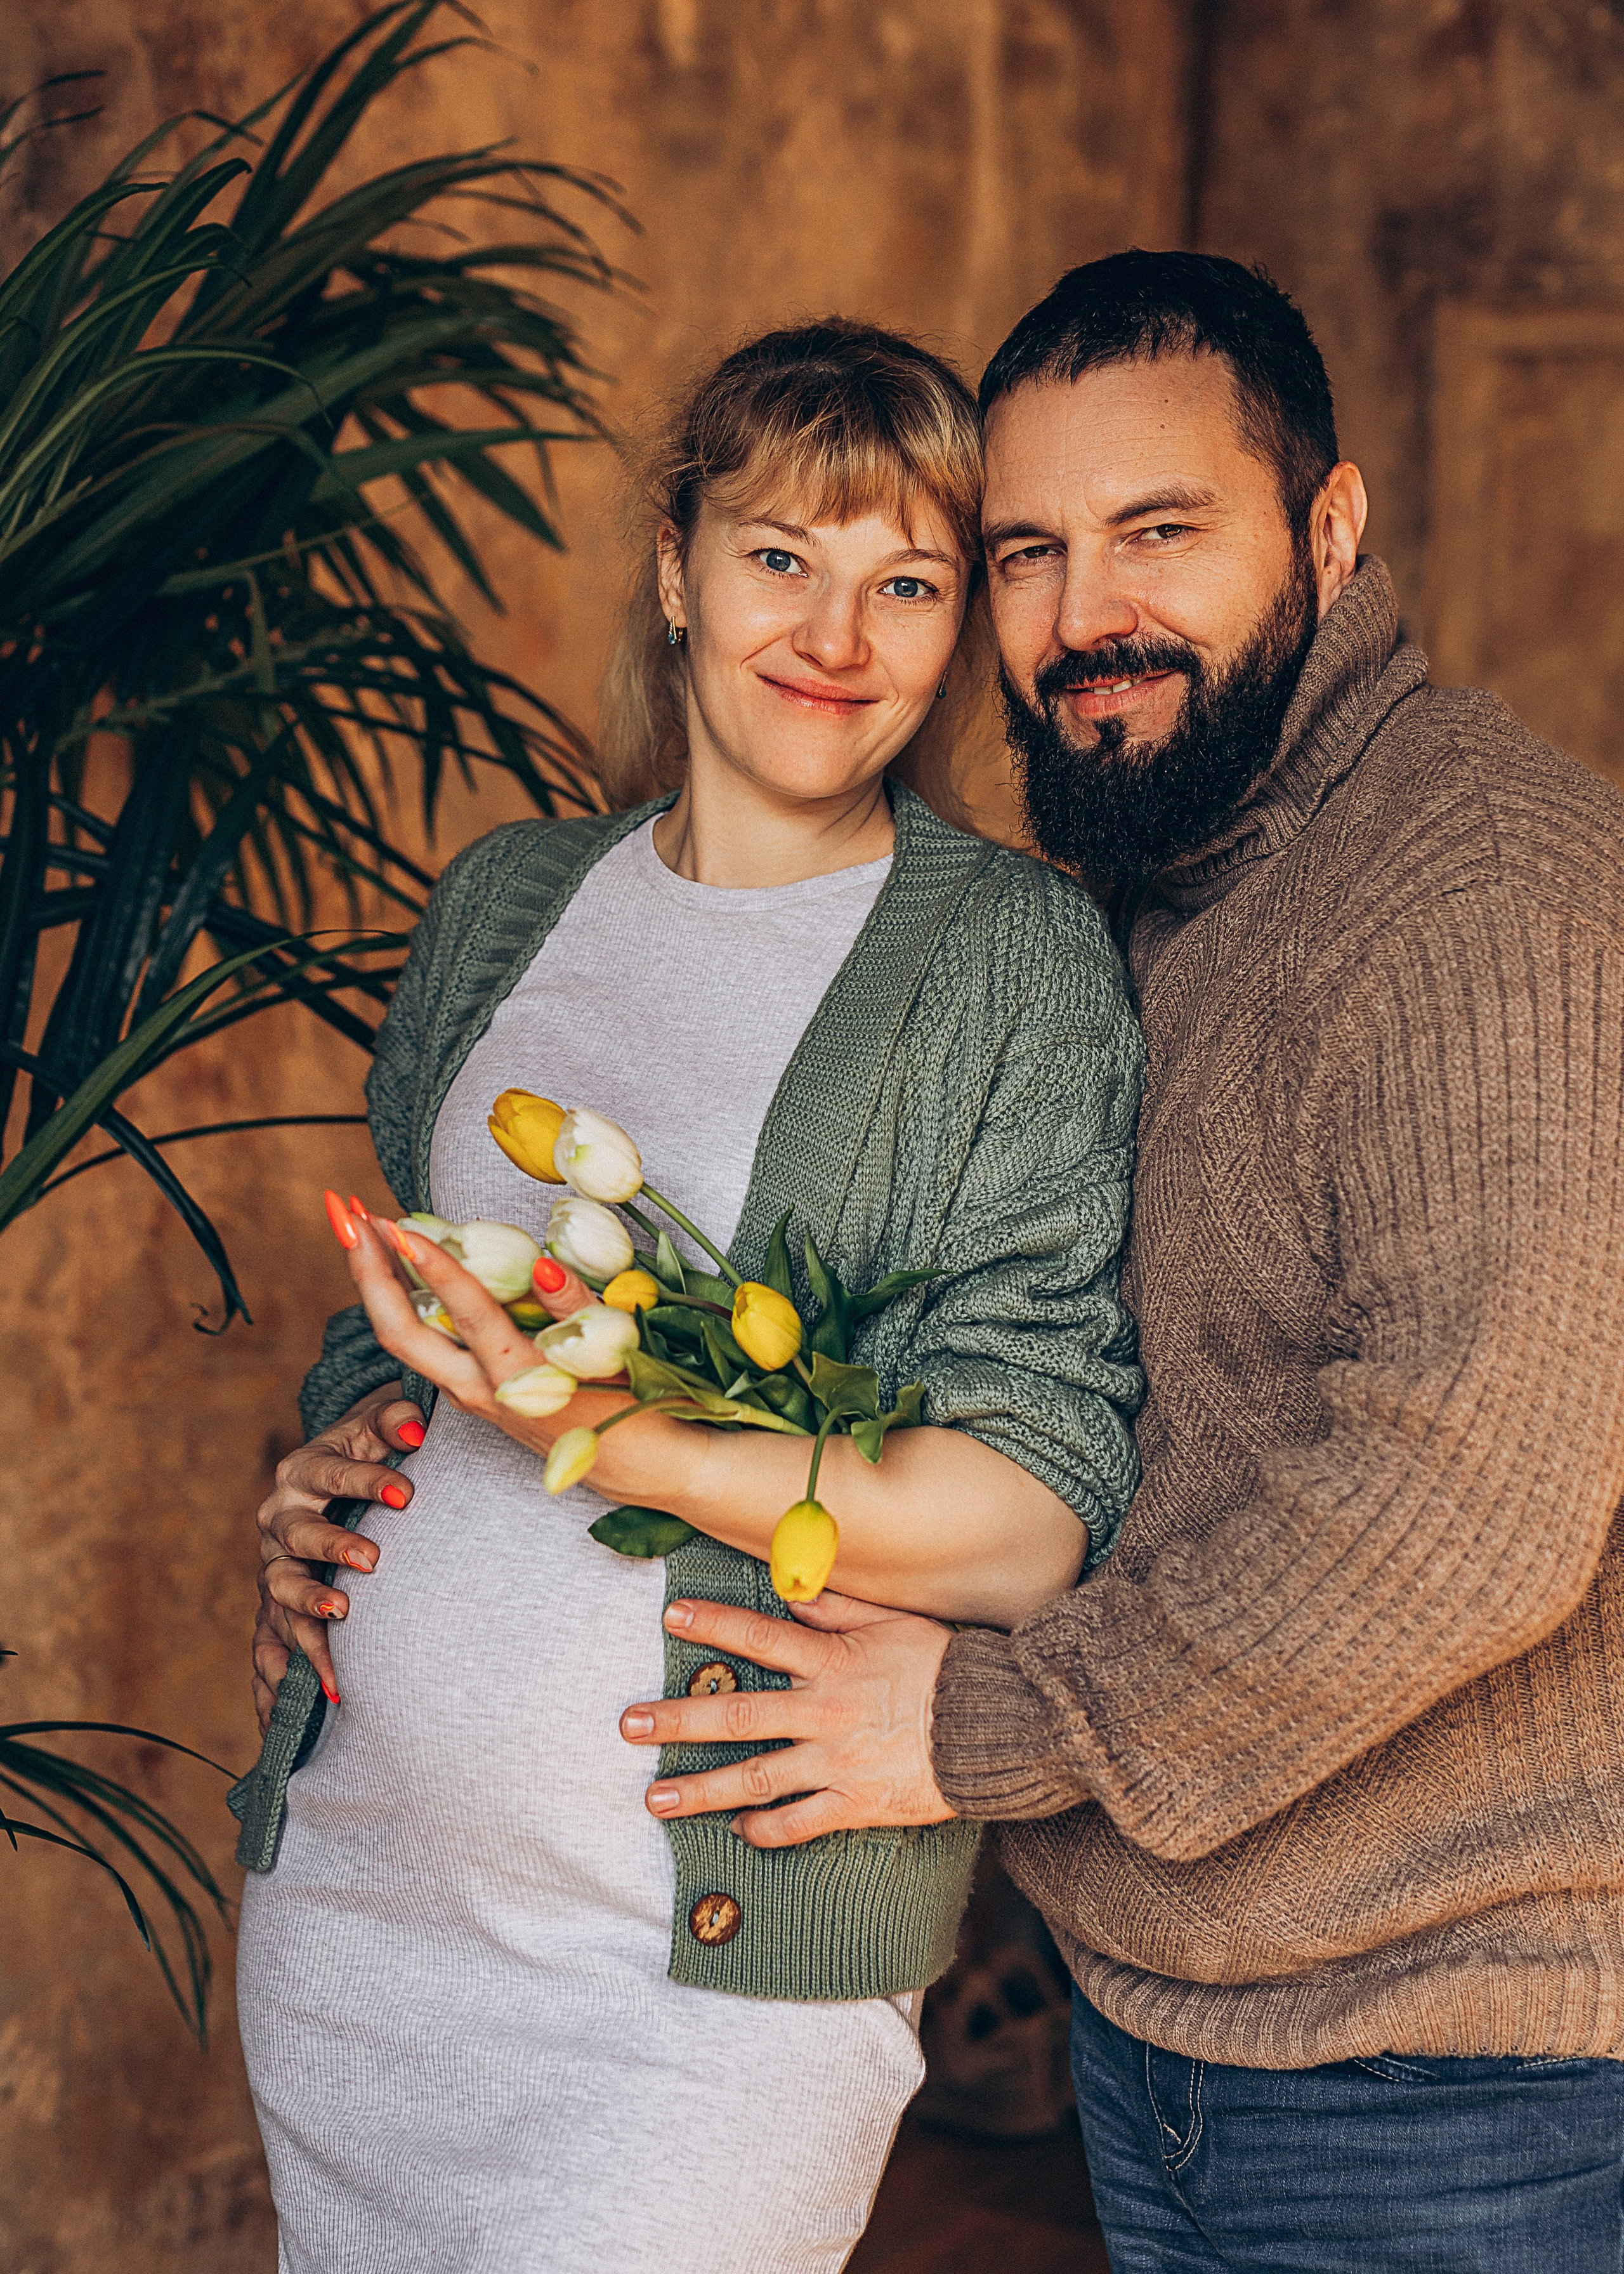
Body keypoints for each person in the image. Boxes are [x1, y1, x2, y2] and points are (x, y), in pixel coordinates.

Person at [615, 253, 1624, 2270]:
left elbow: (1480, 1494)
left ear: (1329, 531)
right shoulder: (1156, 894)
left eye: (1162, 534)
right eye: (1026, 553)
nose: (1087, 619)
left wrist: (979, 1730)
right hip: (1175, 2044)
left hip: (1455, 2090)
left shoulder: (1481, 888)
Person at [232, 317, 1145, 2274]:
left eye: (907, 581)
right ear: (678, 567)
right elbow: (408, 1298)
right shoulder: (503, 900)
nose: (839, 633)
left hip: (703, 1983)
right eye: (781, 560)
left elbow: (1032, 1517)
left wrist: (596, 1433)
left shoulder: (1012, 961)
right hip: (365, 1916)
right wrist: (322, 1468)